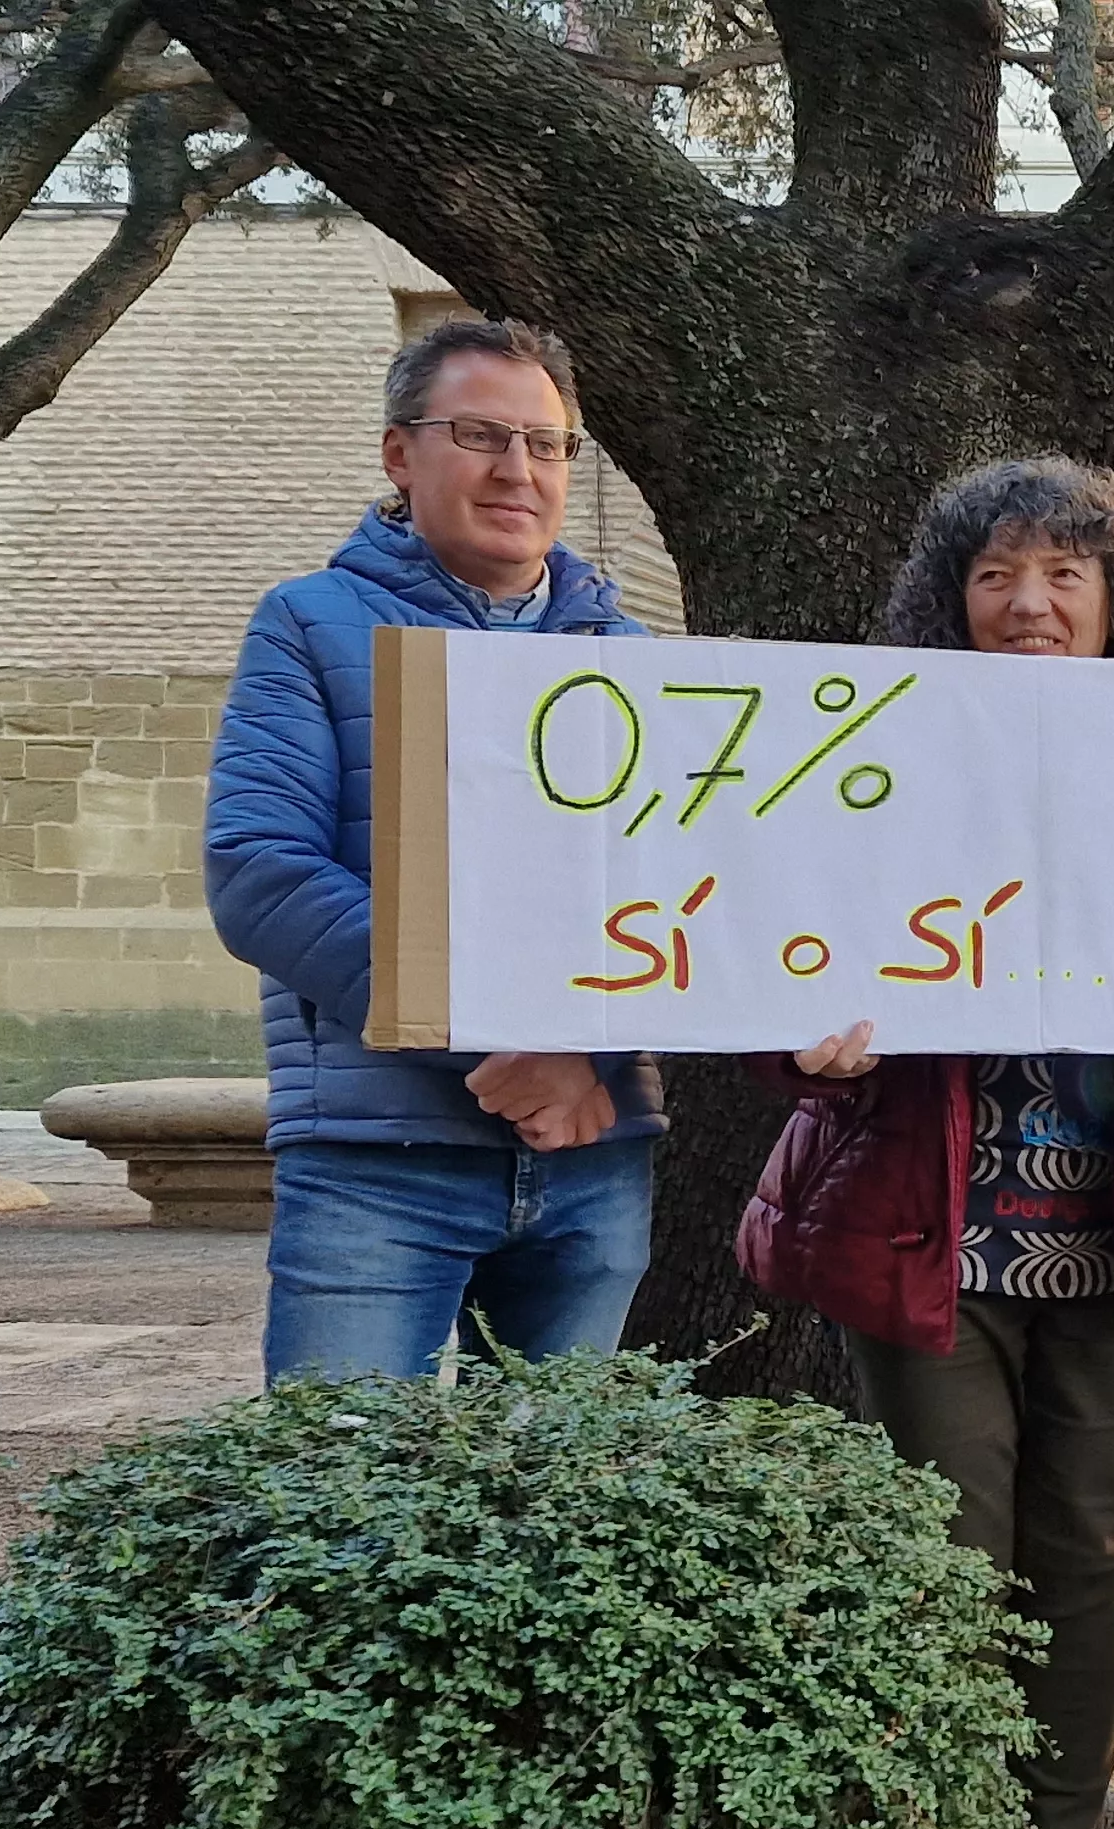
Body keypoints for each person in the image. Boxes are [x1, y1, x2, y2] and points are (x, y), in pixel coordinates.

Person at [735, 457, 1114, 1829]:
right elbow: (769, 964)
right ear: (952, 602)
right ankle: (960, 1821)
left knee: (1090, 1550)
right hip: (924, 1226)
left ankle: (1065, 1825)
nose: (1030, 604)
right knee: (949, 1558)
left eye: (1065, 573)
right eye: (995, 576)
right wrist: (803, 1039)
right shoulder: (869, 769)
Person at [207, 317, 665, 1383]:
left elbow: (683, 899)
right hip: (379, 1160)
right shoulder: (310, 625)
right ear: (398, 454)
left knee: (559, 1516)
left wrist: (584, 1056)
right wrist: (508, 1040)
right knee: (343, 1507)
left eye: (546, 445)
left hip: (594, 1158)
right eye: (480, 434)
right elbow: (261, 873)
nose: (518, 470)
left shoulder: (634, 660)